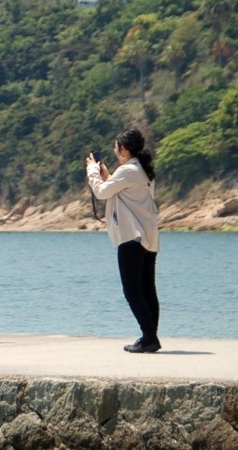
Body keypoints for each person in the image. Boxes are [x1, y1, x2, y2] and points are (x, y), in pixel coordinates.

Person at [86, 128, 161, 354]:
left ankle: (149, 337)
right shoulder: (143, 171)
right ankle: (150, 337)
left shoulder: (128, 171)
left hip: (131, 237)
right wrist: (107, 175)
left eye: (116, 147)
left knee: (132, 291)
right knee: (147, 289)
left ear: (124, 149)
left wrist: (92, 171)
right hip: (149, 237)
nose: (114, 150)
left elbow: (101, 192)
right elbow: (119, 191)